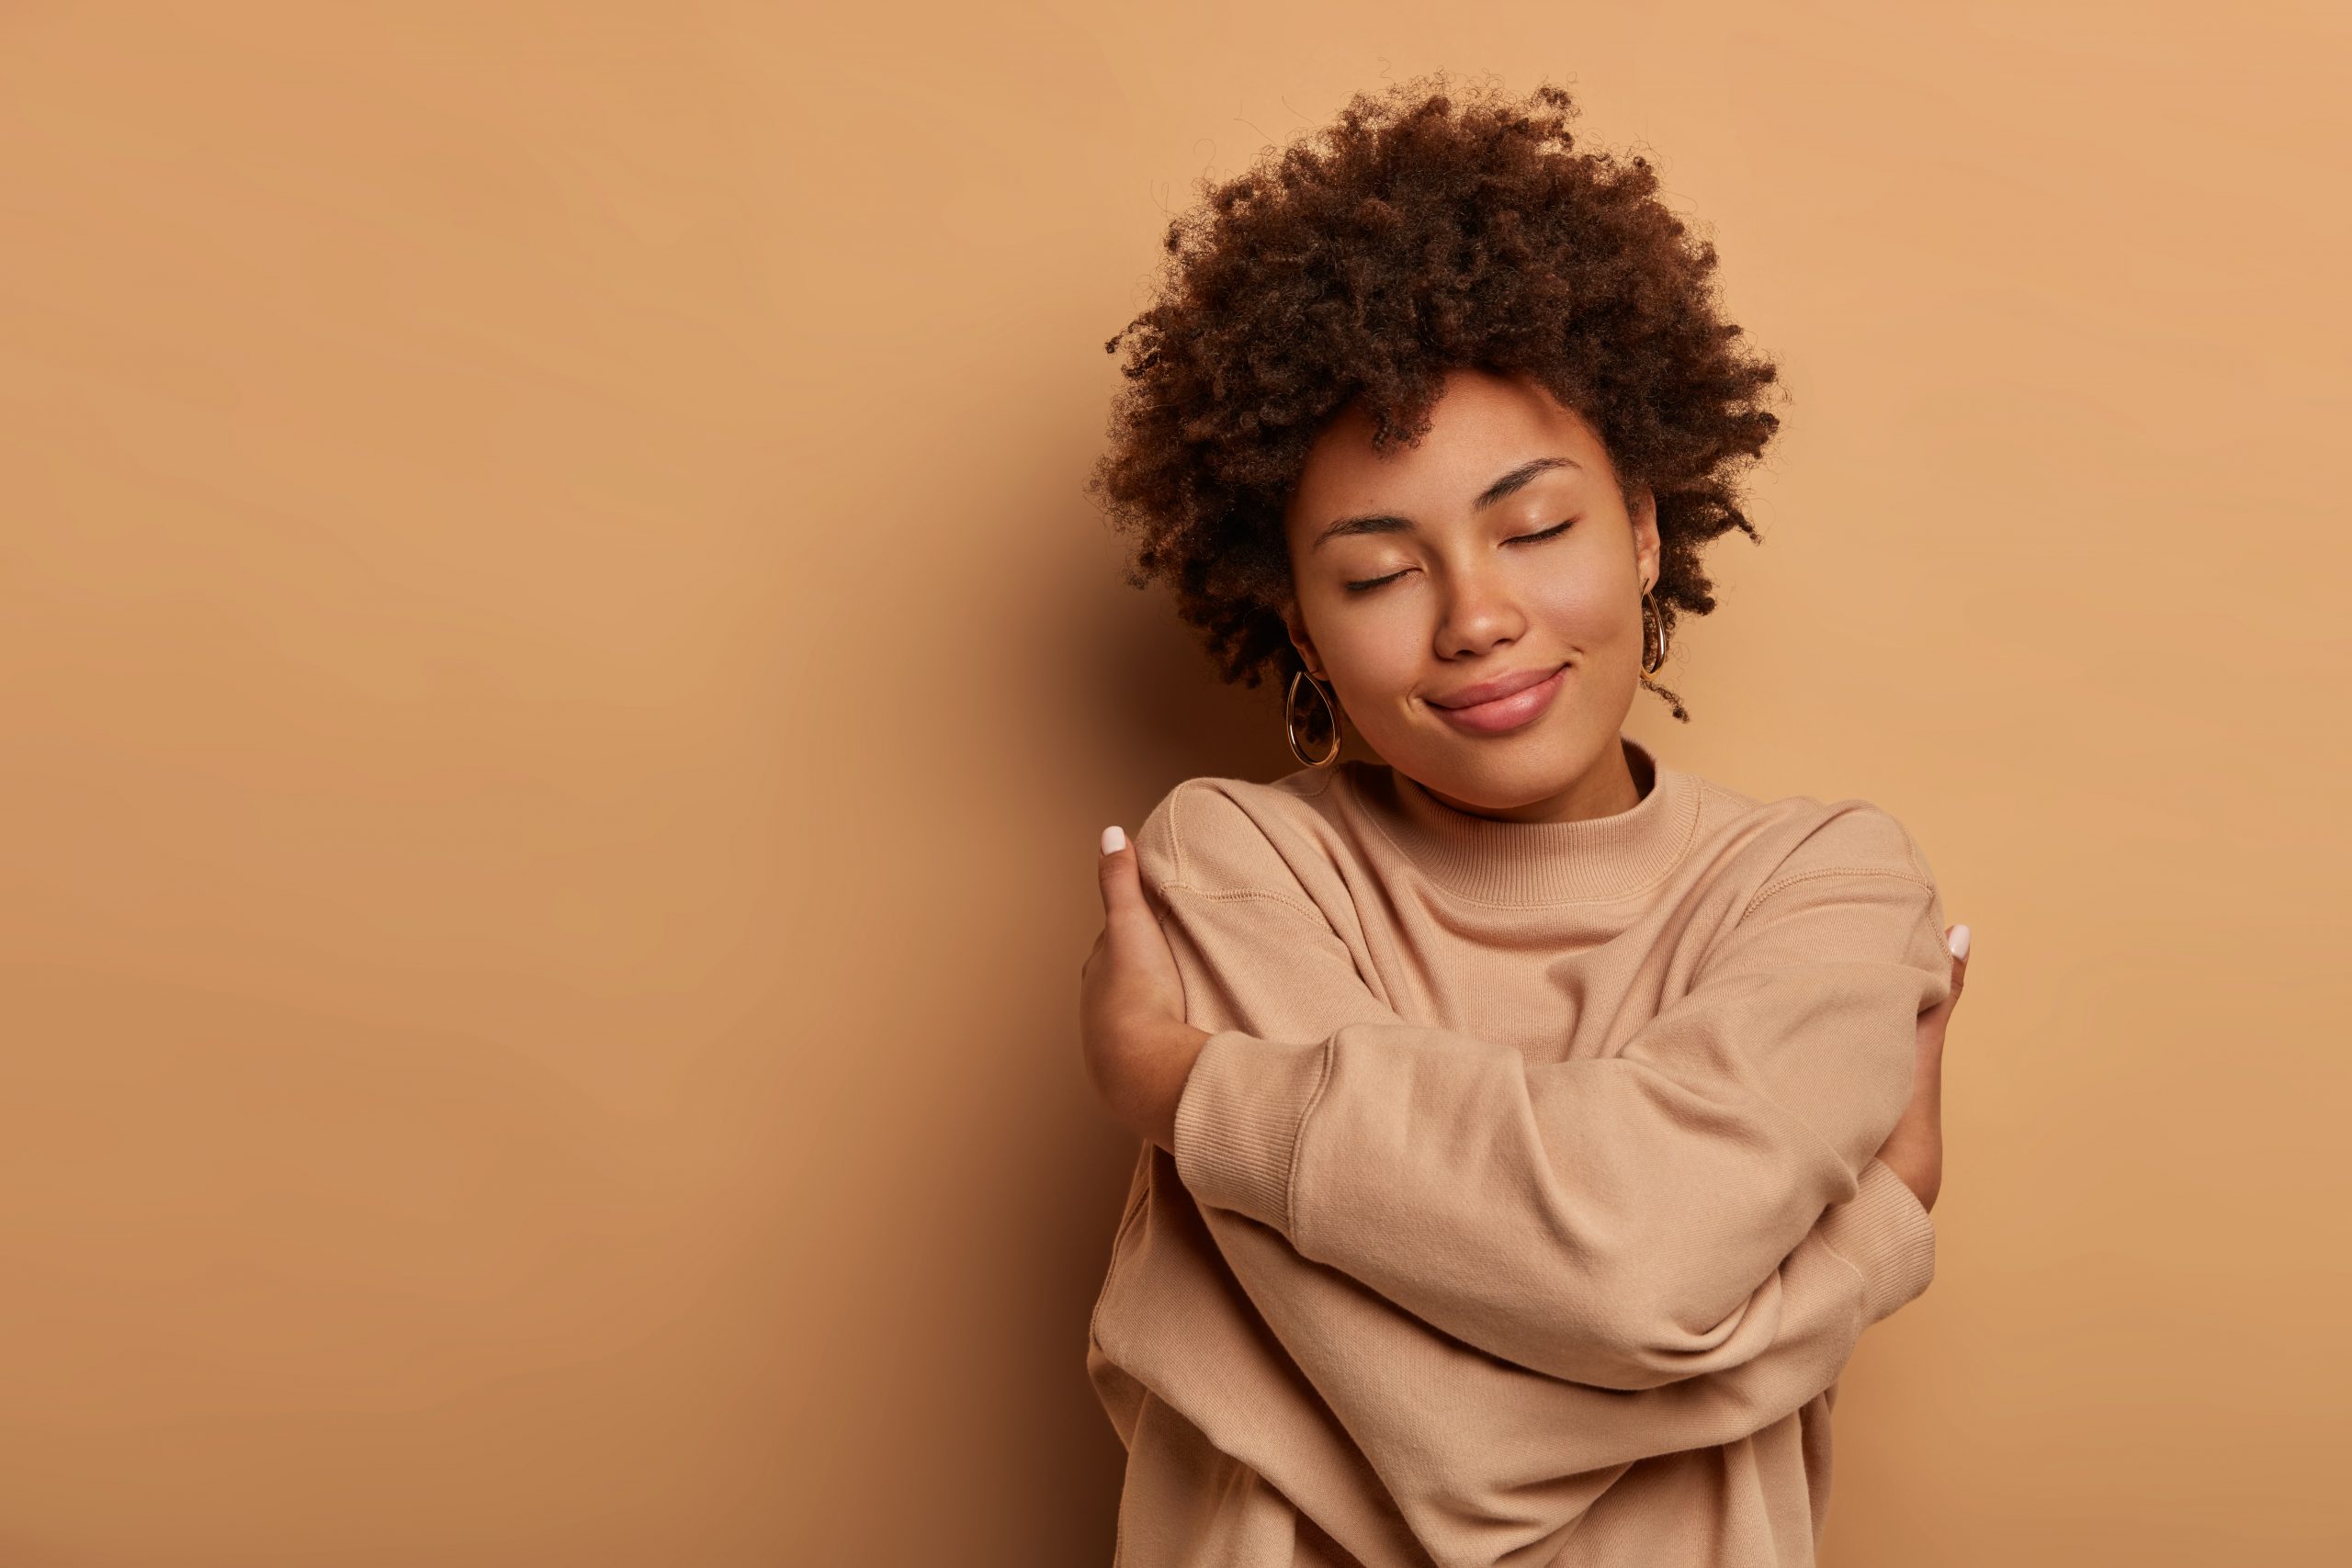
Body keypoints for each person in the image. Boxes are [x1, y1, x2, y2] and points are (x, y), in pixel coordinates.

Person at [1076, 73, 1973, 1568]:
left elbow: (1625, 1269)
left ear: (1643, 528)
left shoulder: (1821, 886)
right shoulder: (1236, 868)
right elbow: (1457, 1448)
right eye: (1375, 574)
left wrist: (1189, 1094)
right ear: (1297, 626)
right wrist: (1863, 1244)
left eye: (1538, 527)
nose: (1478, 618)